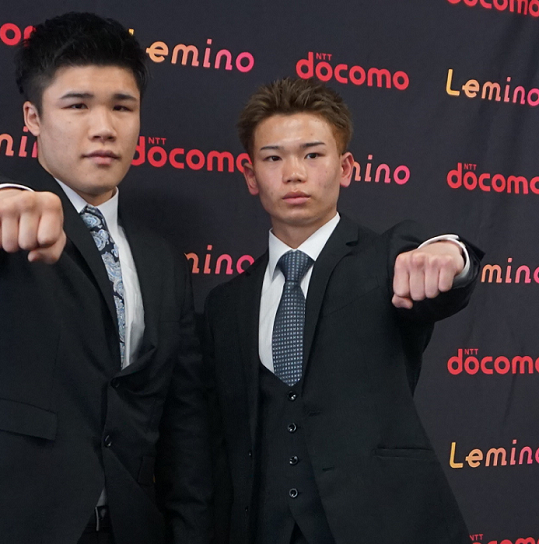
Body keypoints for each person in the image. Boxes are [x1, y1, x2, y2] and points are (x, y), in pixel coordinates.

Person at [0, 12, 211, 544]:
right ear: (33, 117)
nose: (104, 127)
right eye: (77, 105)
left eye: (122, 107)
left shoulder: (163, 261)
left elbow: (184, 426)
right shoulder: (6, 218)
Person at [203, 77, 481, 544]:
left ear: (346, 168)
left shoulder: (388, 260)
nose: (294, 173)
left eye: (313, 155)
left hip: (383, 527)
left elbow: (444, 275)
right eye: (273, 158)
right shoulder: (226, 304)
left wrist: (453, 255)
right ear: (250, 176)